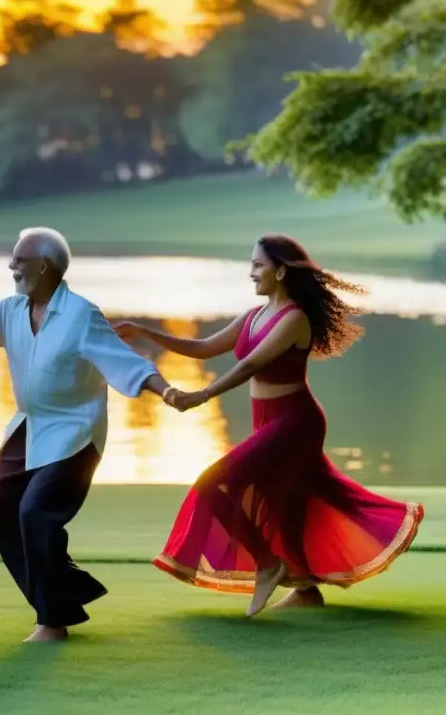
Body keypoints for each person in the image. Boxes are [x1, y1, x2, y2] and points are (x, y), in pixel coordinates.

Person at [116, 235, 424, 617]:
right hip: (269, 420)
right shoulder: (252, 316)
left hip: (295, 422)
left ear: (280, 271)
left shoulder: (294, 318)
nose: (251, 273)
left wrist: (203, 395)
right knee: (285, 506)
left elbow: (250, 365)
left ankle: (267, 563)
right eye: (251, 265)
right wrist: (146, 331)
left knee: (213, 482)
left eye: (258, 266)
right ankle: (307, 589)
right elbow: (204, 346)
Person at [0, 227, 175, 643]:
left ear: (43, 266)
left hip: (74, 432)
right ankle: (67, 589)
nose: (12, 266)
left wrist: (169, 391)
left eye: (19, 259)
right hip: (29, 425)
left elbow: (127, 362)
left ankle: (52, 621)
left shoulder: (82, 315)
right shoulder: (11, 311)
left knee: (34, 512)